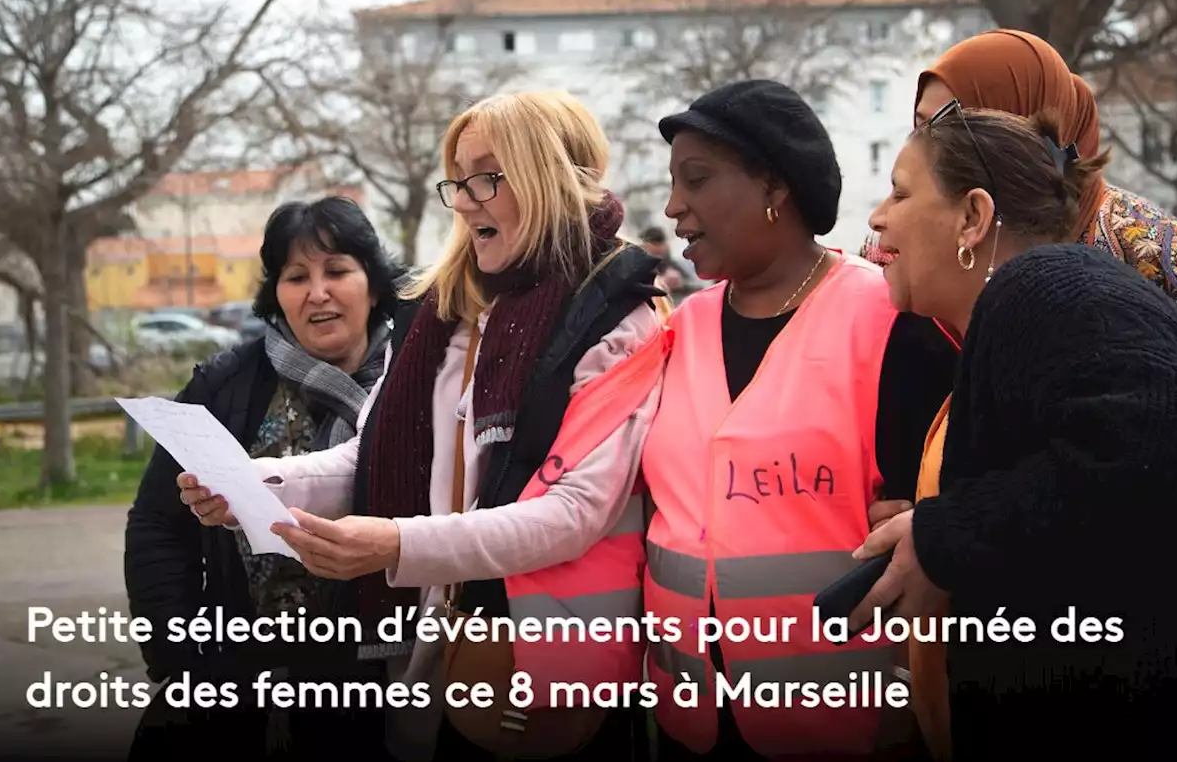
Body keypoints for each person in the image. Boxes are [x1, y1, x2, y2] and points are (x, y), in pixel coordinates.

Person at [178, 90, 668, 762]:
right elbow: (368, 458)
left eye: (489, 176)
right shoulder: (448, 311)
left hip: (556, 670)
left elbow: (574, 514)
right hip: (446, 651)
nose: (465, 201)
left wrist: (395, 546)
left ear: (551, 176)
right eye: (459, 180)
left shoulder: (620, 316)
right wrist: (256, 486)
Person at [856, 103, 1177, 757]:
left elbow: (1159, 453)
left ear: (973, 217)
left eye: (901, 192)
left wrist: (948, 535)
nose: (877, 217)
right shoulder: (1052, 295)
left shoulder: (1046, 285)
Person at [639, 79, 959, 760]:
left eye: (695, 179)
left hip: (849, 721)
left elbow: (947, 519)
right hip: (691, 718)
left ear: (774, 189)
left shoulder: (890, 321)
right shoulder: (677, 331)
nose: (673, 208)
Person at [124, 196, 407, 760]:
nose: (317, 292)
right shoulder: (228, 385)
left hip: (376, 688)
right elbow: (158, 524)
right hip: (237, 683)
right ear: (276, 292)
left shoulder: (418, 382)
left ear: (373, 285)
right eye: (295, 276)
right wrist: (180, 661)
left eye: (337, 271)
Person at [896, 28, 1177, 450]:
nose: (926, 150)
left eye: (946, 127)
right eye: (920, 128)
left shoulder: (1169, 261)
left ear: (1009, 129)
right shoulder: (916, 252)